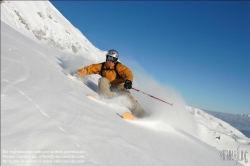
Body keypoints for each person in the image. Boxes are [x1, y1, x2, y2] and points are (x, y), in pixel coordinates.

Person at [77, 49, 148, 118]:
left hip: (120, 87)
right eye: (109, 57)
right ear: (106, 57)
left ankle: (144, 116)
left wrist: (128, 81)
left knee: (129, 101)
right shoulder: (102, 66)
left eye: (112, 59)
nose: (110, 61)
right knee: (102, 80)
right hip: (109, 87)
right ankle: (110, 100)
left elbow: (127, 72)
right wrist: (79, 73)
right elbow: (90, 69)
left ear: (115, 60)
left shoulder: (118, 66)